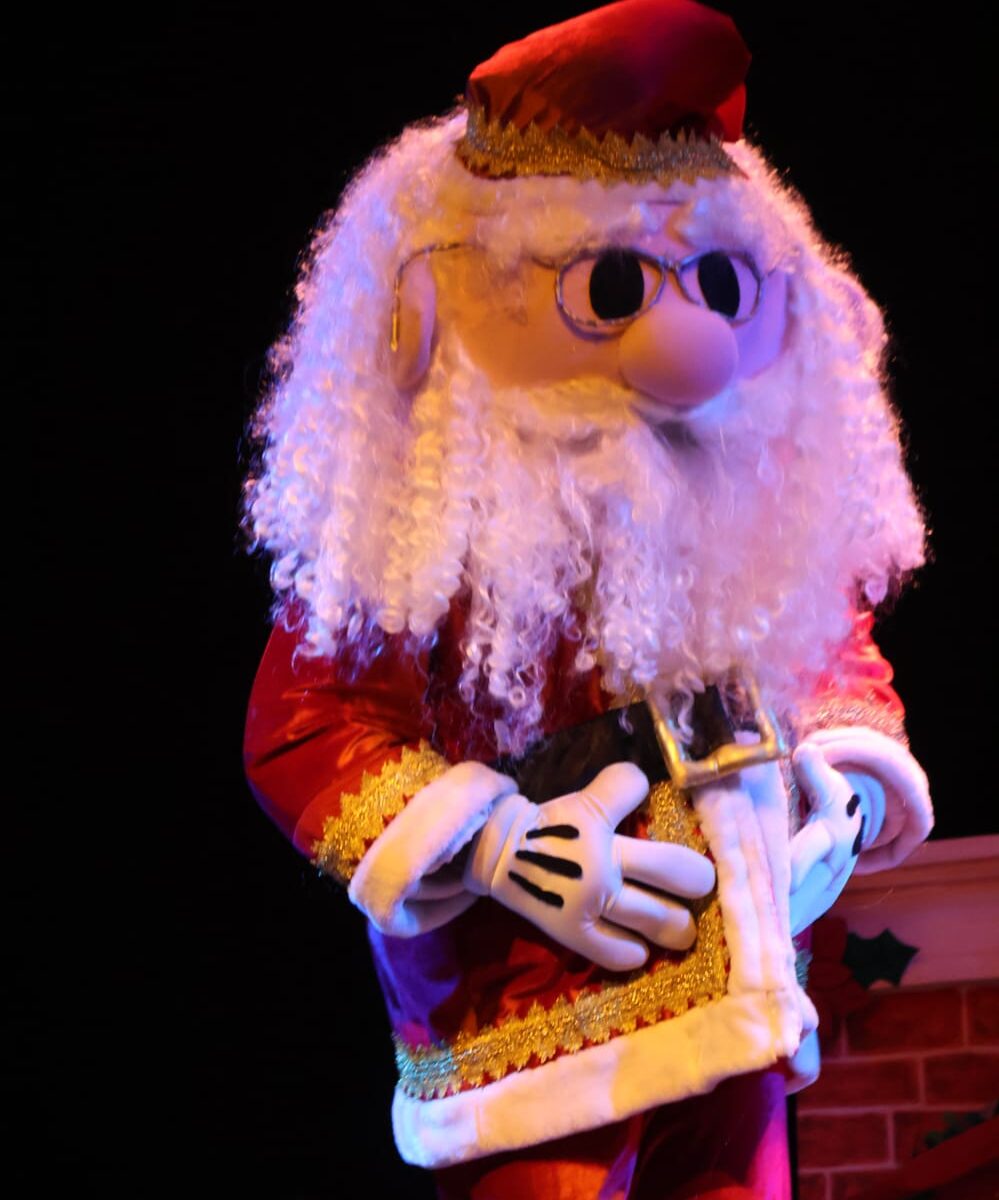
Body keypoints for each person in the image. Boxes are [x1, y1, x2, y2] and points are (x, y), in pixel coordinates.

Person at [243, 2, 933, 1194]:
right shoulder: (421, 522)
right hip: (531, 1024)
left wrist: (845, 797)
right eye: (614, 285)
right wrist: (491, 845)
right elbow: (305, 726)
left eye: (716, 281)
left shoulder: (748, 496)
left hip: (737, 997)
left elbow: (831, 655)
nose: (691, 342)